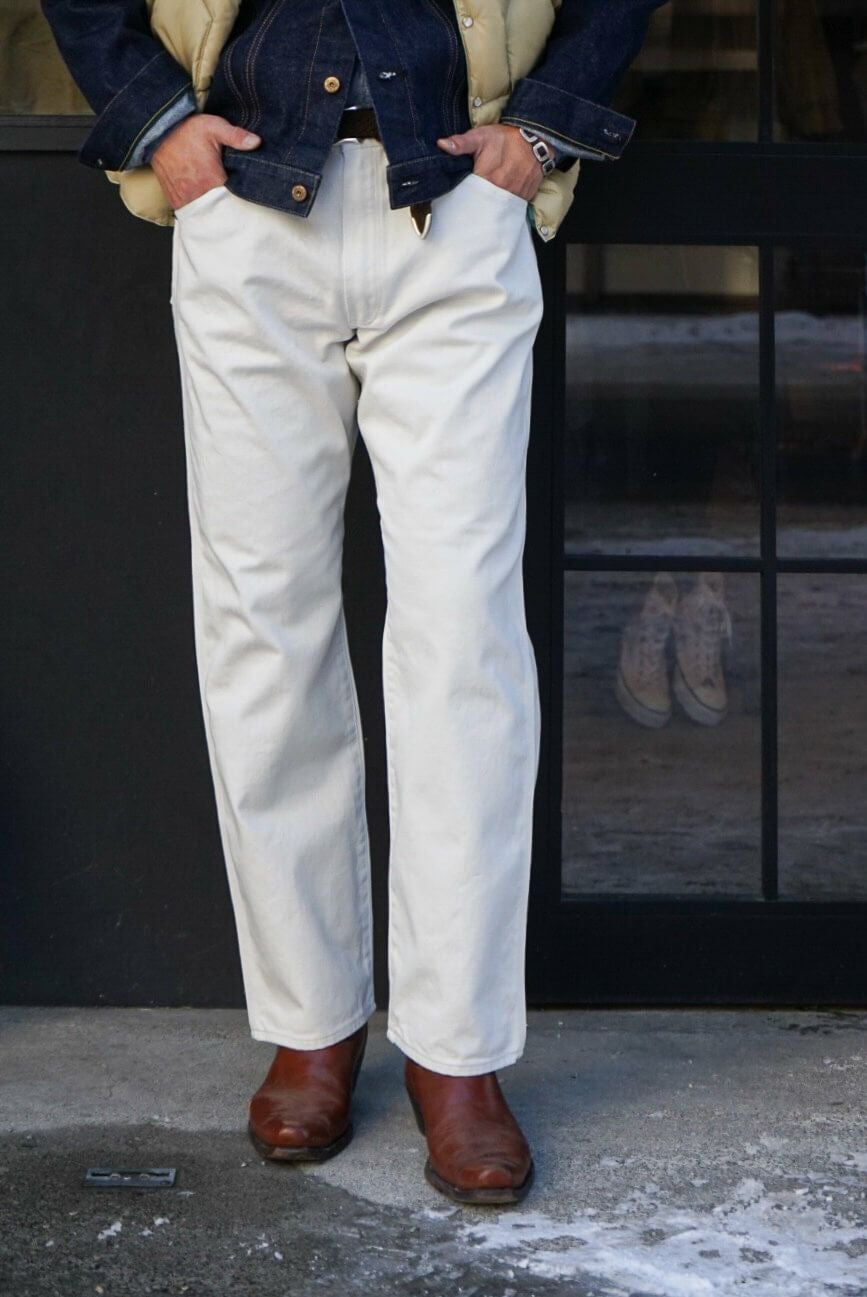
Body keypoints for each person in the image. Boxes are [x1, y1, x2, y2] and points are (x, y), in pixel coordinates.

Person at [42, 0, 664, 1206]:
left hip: (458, 200)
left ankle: (457, 1048)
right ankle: (310, 1020)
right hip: (244, 205)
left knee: (464, 640)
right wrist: (158, 123)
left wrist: (541, 132)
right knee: (262, 627)